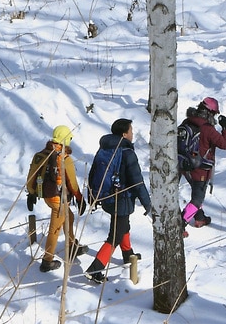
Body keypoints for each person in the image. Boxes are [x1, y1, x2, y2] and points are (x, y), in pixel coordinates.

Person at [85, 118, 152, 284]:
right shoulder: (127, 153)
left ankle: (128, 255)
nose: (132, 133)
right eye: (131, 130)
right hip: (121, 199)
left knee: (123, 226)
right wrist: (148, 205)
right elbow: (137, 182)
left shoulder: (105, 148)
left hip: (107, 197)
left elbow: (93, 173)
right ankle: (95, 269)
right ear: (124, 134)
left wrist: (92, 196)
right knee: (115, 235)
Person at [26, 125, 86, 272]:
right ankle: (47, 261)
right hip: (59, 199)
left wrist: (31, 192)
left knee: (69, 217)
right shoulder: (64, 158)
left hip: (47, 196)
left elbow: (32, 174)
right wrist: (79, 198)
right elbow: (72, 183)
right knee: (55, 229)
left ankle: (72, 246)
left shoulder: (41, 154)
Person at [180, 98, 226, 228]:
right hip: (200, 168)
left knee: (196, 193)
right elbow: (225, 144)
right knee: (197, 199)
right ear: (211, 113)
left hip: (184, 164)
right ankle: (180, 224)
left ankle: (200, 218)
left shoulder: (187, 121)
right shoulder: (207, 128)